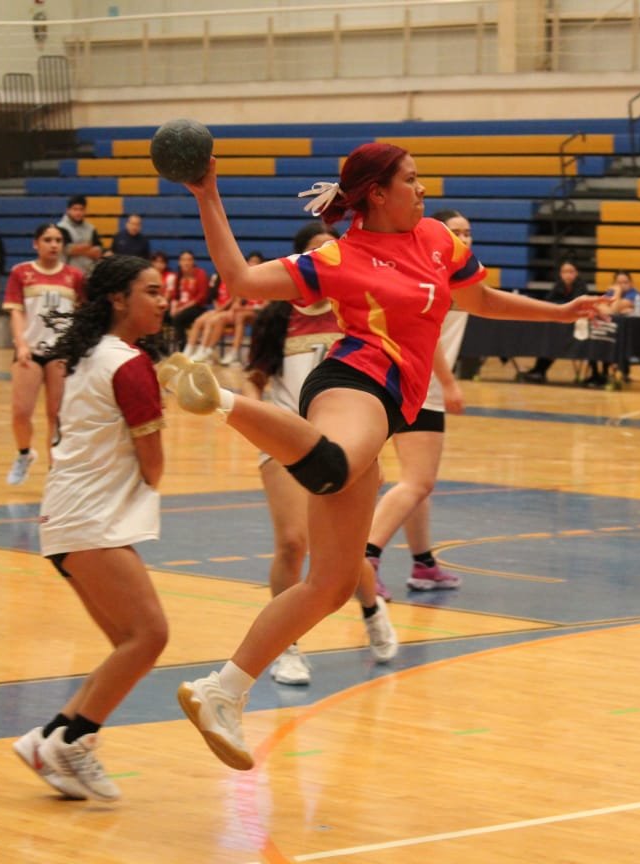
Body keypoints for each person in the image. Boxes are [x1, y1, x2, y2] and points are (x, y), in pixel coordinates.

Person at [166, 142, 603, 771]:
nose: (423, 190)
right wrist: (208, 195)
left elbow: (480, 299)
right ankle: (222, 401)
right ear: (377, 193)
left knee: (330, 584)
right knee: (333, 466)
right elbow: (241, 281)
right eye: (412, 180)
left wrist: (559, 314)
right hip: (354, 381)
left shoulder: (437, 240)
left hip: (392, 401)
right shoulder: (340, 256)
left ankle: (221, 690)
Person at [11, 255, 169, 802]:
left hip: (67, 518)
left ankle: (48, 738)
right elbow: (153, 464)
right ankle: (75, 741)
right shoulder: (127, 363)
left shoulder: (88, 354)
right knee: (149, 636)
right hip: (89, 520)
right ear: (118, 299)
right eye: (152, 291)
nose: (163, 300)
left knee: (127, 643)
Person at [243, 224, 349, 686]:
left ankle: (372, 613)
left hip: (342, 442)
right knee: (292, 542)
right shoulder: (277, 315)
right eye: (316, 251)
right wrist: (259, 417)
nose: (326, 257)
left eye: (333, 249)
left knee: (345, 552)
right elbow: (254, 379)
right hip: (285, 439)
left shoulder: (354, 311)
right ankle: (287, 647)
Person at [365, 209, 471, 598]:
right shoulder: (433, 276)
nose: (464, 238)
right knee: (418, 482)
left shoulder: (452, 273)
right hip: (420, 385)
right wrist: (449, 382)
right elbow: (428, 337)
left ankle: (424, 563)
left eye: (468, 232)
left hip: (410, 383)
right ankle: (366, 558)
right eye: (456, 232)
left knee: (417, 481)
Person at [2, 224, 86, 485]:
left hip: (60, 352)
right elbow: (16, 311)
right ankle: (24, 454)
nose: (54, 245)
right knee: (21, 412)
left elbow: (82, 313)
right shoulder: (21, 273)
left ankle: (55, 469)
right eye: (48, 239)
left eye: (58, 240)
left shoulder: (74, 276)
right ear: (36, 243)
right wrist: (21, 344)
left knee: (56, 414)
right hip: (31, 350)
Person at [519, 260, 587, 383]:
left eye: (570, 271)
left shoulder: (581, 287)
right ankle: (538, 370)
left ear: (576, 273)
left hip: (574, 328)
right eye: (564, 272)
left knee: (555, 341)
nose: (567, 275)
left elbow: (575, 306)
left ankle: (540, 371)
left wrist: (560, 307)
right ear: (560, 274)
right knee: (547, 339)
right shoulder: (558, 286)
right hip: (557, 326)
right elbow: (548, 302)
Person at [581, 269, 640, 388]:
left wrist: (617, 293)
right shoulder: (610, 293)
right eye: (619, 283)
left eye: (625, 282)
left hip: (629, 335)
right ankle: (596, 373)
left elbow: (612, 311)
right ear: (614, 283)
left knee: (608, 337)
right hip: (609, 331)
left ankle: (606, 373)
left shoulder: (634, 295)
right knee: (595, 335)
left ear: (631, 283)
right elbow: (599, 307)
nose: (622, 285)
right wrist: (611, 307)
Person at [169, 251, 210, 353]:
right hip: (181, 308)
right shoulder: (178, 275)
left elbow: (201, 297)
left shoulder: (200, 274)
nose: (186, 262)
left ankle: (183, 350)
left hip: (197, 308)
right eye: (183, 260)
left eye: (189, 260)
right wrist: (173, 308)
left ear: (193, 262)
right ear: (179, 262)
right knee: (163, 314)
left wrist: (182, 308)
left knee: (178, 319)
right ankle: (160, 348)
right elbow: (175, 295)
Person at [57, 195, 103, 276]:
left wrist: (78, 249)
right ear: (68, 210)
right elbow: (68, 250)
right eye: (75, 209)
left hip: (88, 274)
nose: (78, 212)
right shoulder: (61, 227)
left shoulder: (91, 228)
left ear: (85, 211)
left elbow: (98, 252)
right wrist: (88, 246)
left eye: (81, 209)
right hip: (67, 275)